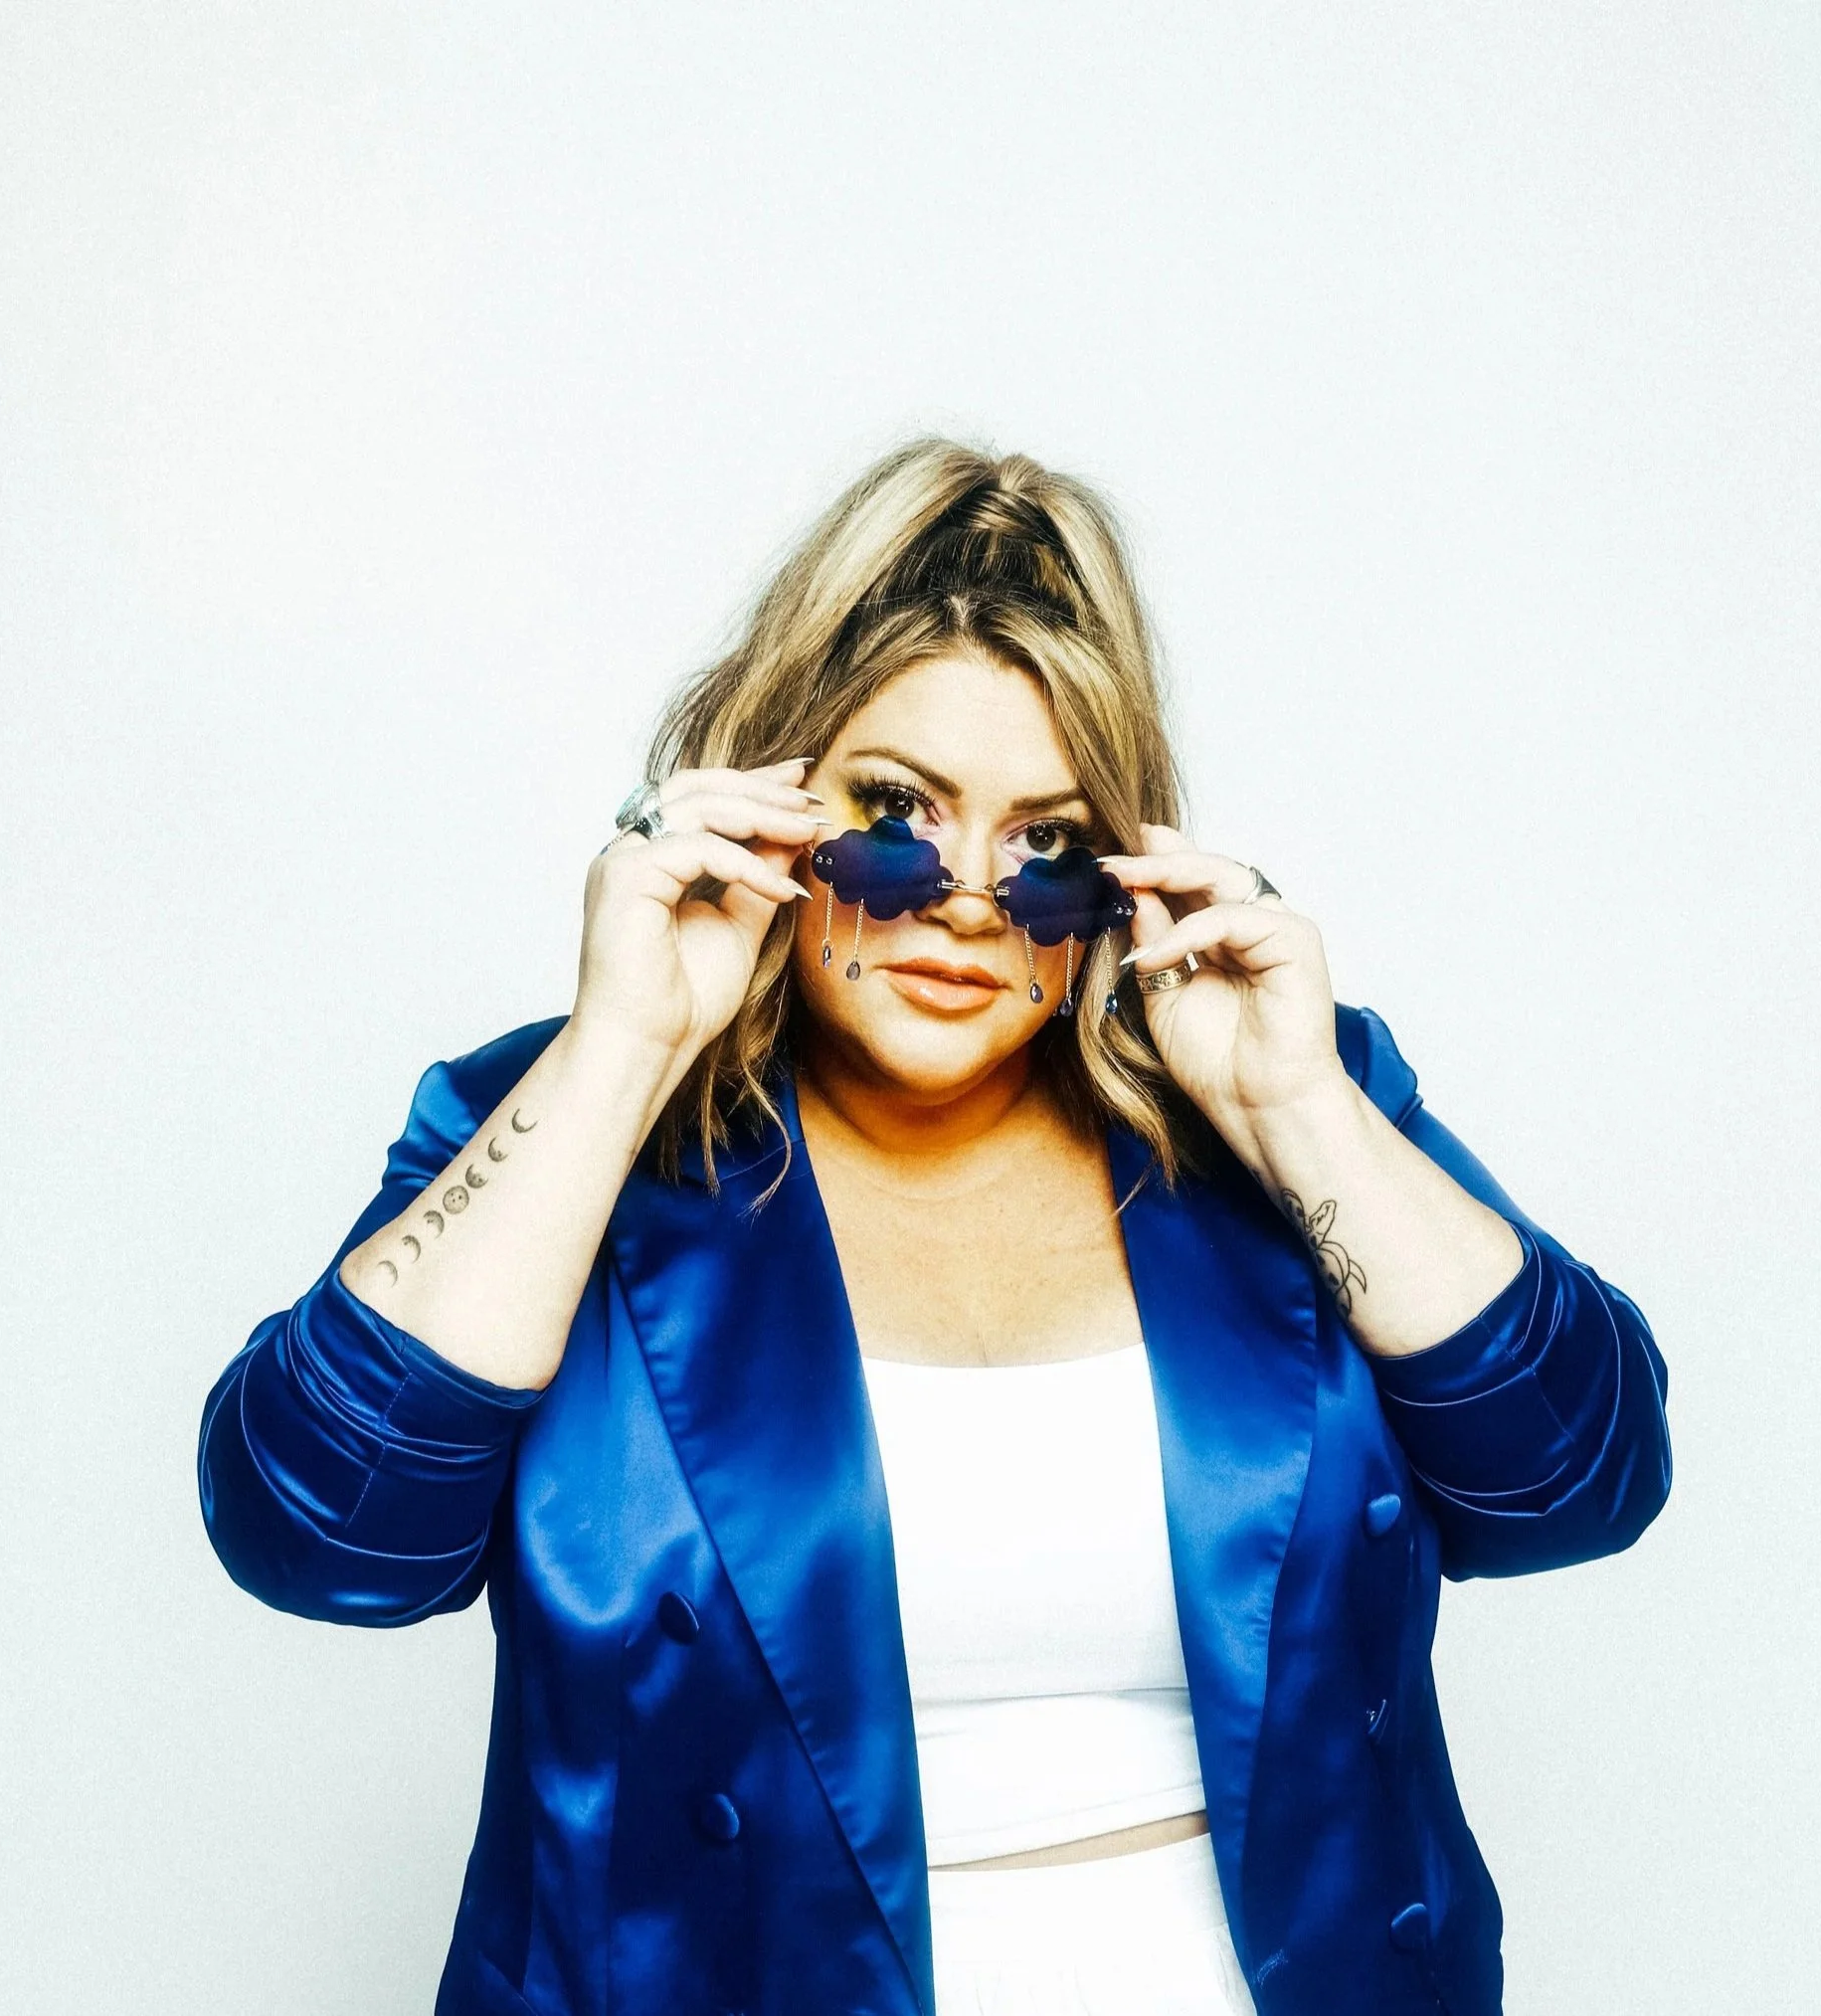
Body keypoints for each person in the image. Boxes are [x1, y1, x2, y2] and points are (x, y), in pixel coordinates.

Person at [198, 439, 1673, 2016]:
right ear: (769, 806)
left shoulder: (1276, 1104)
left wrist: (1294, 1105)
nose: (969, 899)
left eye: (1048, 845)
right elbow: (321, 1532)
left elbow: (1576, 1479)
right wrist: (625, 1046)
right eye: (896, 814)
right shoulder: (563, 1125)